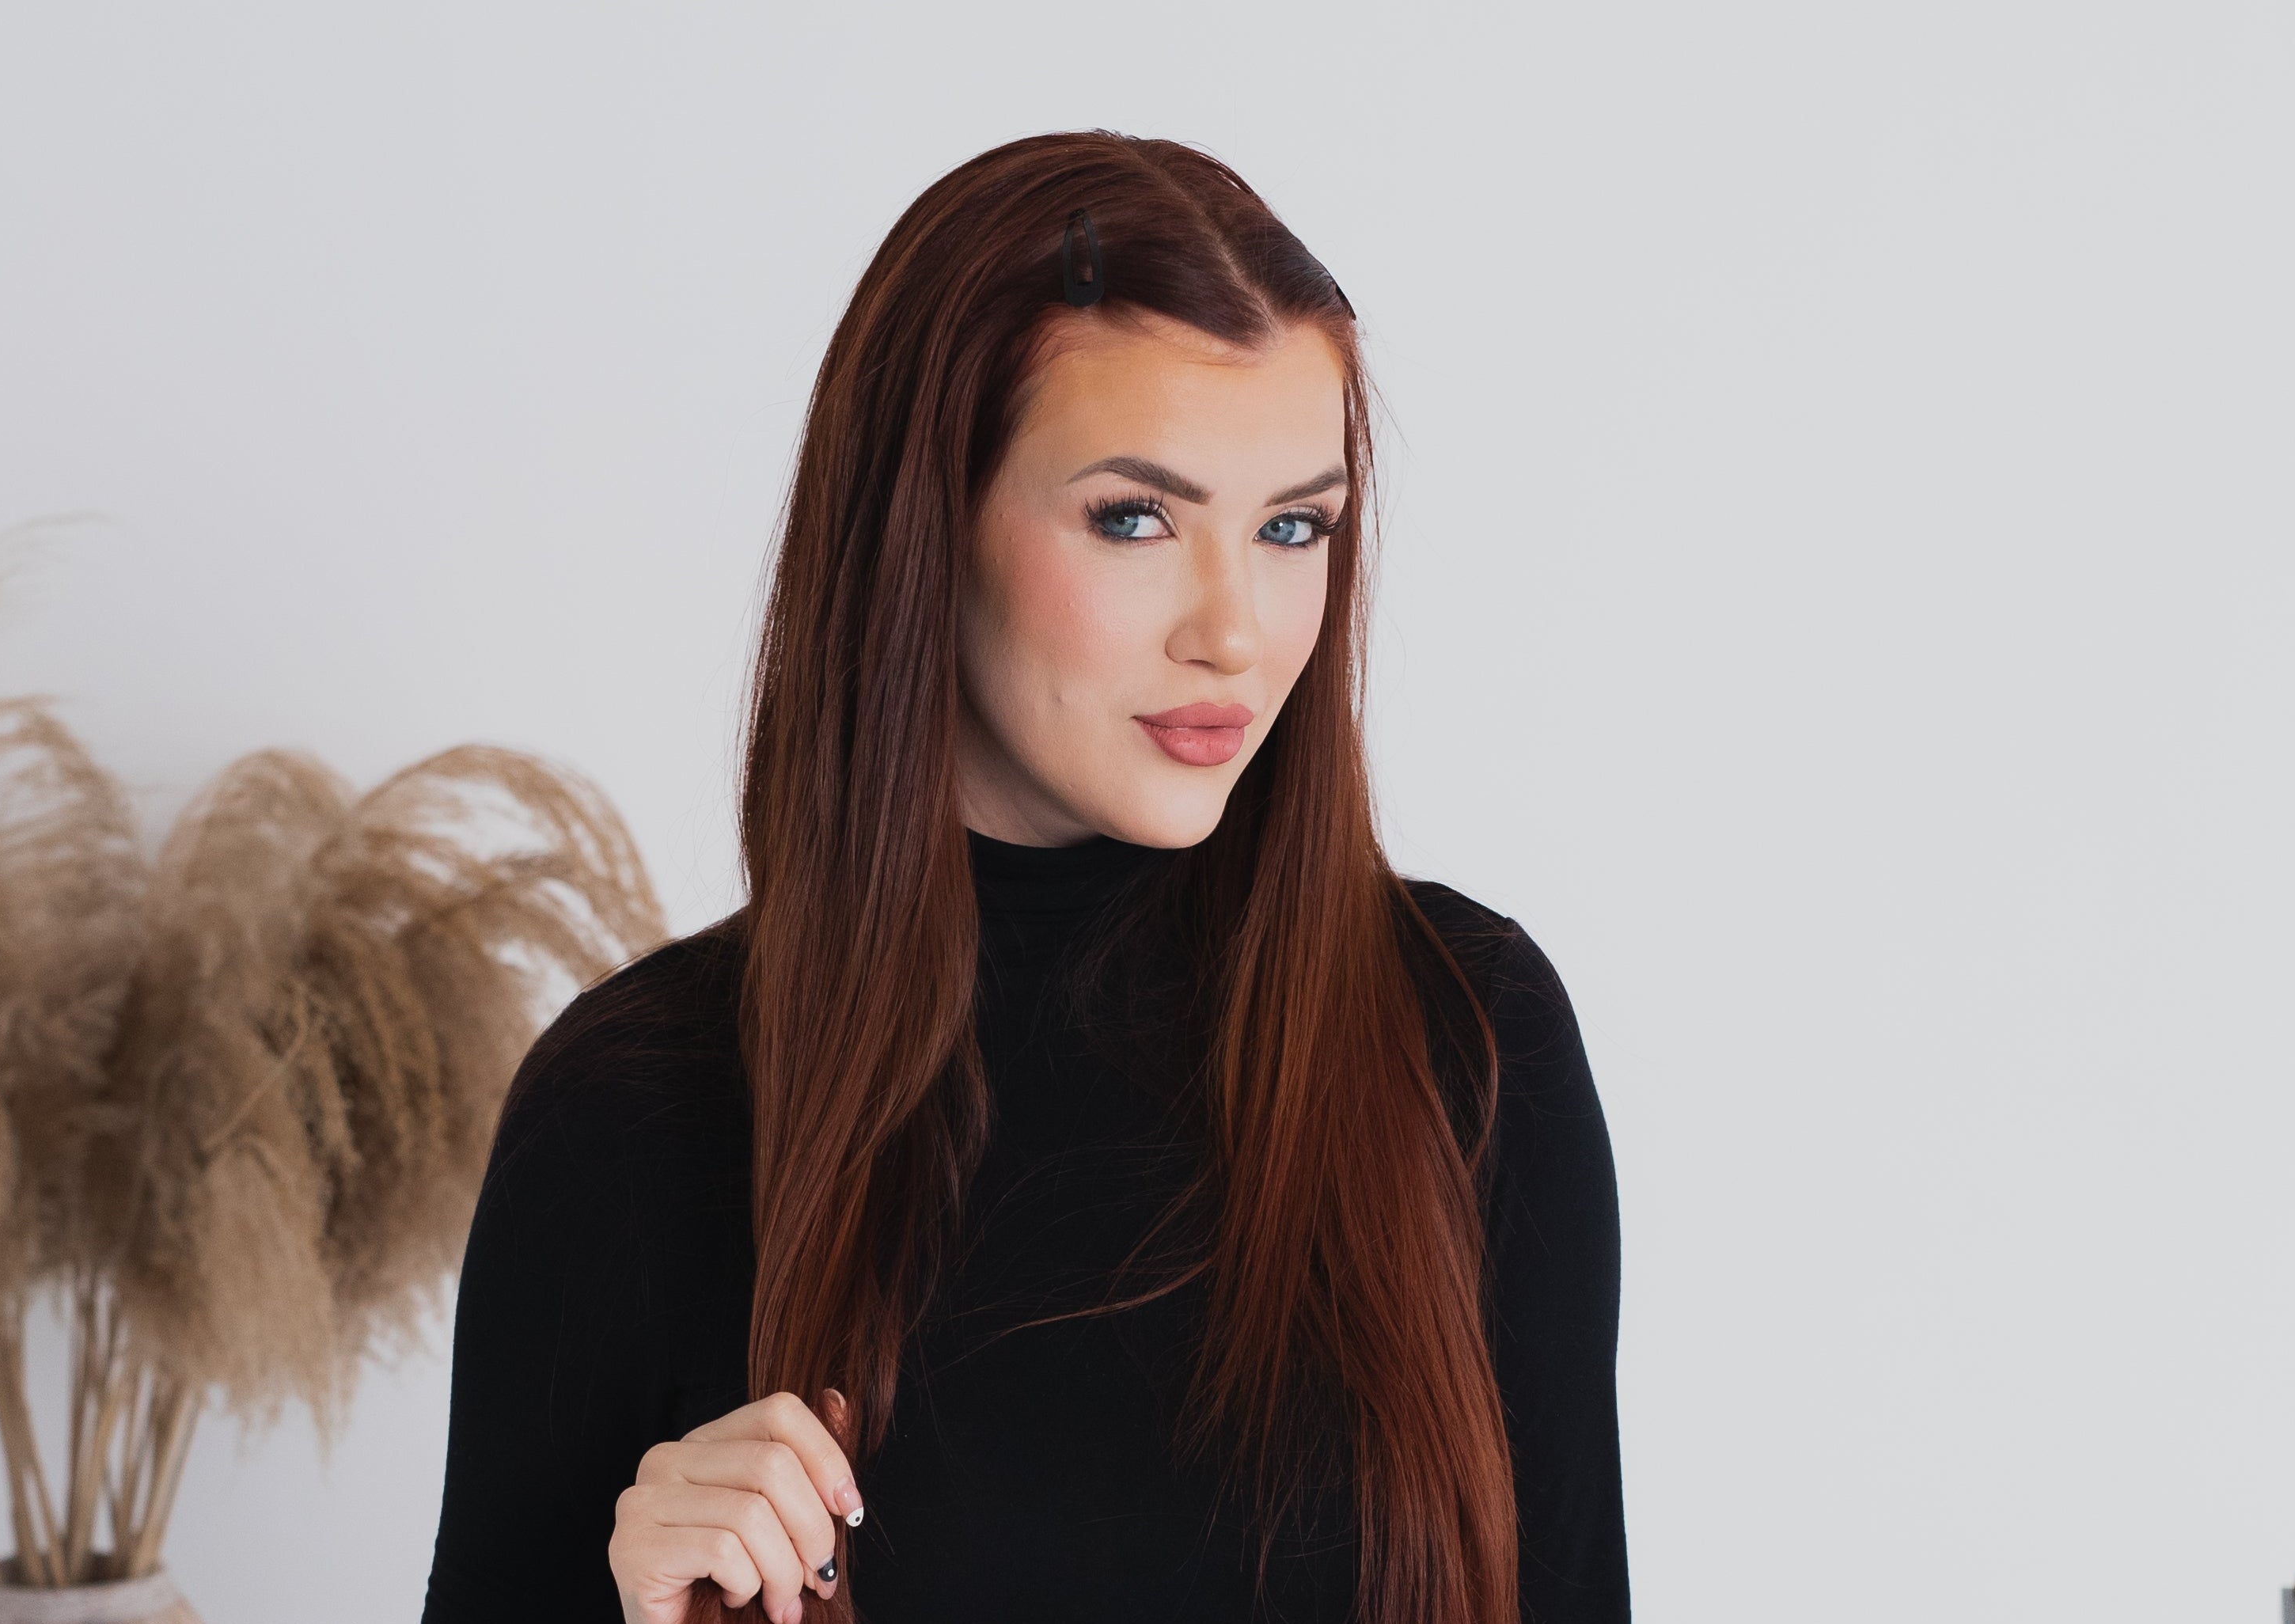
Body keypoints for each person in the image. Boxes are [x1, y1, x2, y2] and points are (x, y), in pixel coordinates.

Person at [421, 131, 1625, 1624]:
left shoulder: (1463, 1037)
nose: (1236, 632)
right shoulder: (639, 1110)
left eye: (1293, 526)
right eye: (1135, 519)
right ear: (924, 530)